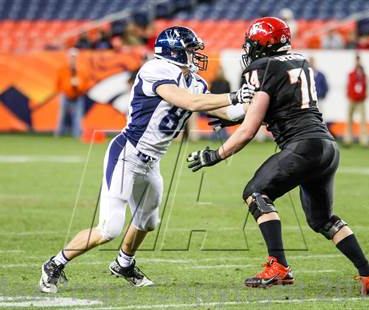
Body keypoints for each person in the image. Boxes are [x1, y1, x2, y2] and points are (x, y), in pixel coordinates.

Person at [40, 26, 254, 293]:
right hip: (127, 155)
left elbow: (229, 113)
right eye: (191, 50)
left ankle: (124, 263)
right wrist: (234, 95)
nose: (196, 54)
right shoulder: (156, 70)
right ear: (175, 52)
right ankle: (54, 264)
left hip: (151, 161)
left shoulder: (196, 82)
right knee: (110, 228)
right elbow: (189, 102)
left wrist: (255, 102)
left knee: (148, 222)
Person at [187, 17, 369, 296]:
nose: (250, 49)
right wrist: (237, 119)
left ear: (263, 45)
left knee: (256, 193)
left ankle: (278, 265)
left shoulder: (261, 67)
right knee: (323, 221)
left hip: (301, 145)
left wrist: (216, 154)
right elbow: (279, 104)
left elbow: (249, 130)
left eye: (253, 43)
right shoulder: (300, 60)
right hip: (326, 145)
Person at [55, 48, 90, 138]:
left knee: (77, 117)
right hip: (66, 95)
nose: (72, 59)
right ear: (68, 58)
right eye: (71, 57)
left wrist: (80, 88)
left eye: (74, 57)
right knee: (62, 116)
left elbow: (86, 84)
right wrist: (63, 90)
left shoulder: (81, 70)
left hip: (78, 96)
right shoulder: (63, 69)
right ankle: (58, 134)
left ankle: (77, 134)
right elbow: (58, 83)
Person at [344, 54, 369, 146]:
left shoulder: (364, 75)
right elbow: (348, 86)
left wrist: (365, 96)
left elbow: (366, 87)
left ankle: (364, 140)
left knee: (363, 120)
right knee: (349, 120)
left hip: (361, 100)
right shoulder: (351, 74)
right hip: (352, 99)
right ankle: (348, 139)